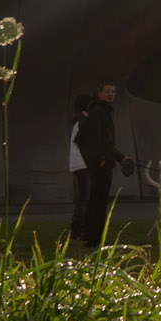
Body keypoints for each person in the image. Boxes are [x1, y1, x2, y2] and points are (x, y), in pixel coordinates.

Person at [73, 82, 133, 248]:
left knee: (95, 200)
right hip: (101, 163)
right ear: (99, 93)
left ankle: (90, 236)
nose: (111, 94)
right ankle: (93, 238)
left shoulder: (101, 111)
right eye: (107, 91)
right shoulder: (99, 112)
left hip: (102, 160)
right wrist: (110, 158)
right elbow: (100, 141)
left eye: (113, 92)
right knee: (98, 201)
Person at [67, 94, 93, 243]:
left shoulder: (81, 121)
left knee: (84, 197)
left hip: (81, 163)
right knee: (85, 198)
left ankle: (79, 230)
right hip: (84, 164)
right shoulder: (84, 122)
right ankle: (78, 231)